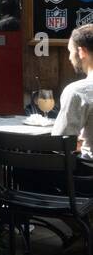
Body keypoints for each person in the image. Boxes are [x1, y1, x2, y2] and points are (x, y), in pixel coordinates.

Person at [55, 24, 93, 158]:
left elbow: (60, 144)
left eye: (70, 51)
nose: (70, 57)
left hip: (88, 174)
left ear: (82, 52)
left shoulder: (78, 91)